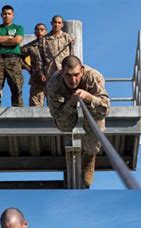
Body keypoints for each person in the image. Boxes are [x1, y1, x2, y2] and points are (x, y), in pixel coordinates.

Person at [47, 55, 110, 188]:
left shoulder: (93, 77)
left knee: (96, 120)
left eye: (76, 75)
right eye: (68, 75)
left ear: (81, 70)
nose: (73, 80)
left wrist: (88, 97)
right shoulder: (54, 84)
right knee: (63, 124)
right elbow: (56, 115)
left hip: (91, 105)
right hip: (67, 106)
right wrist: (71, 103)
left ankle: (90, 155)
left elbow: (105, 109)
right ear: (62, 73)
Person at [0, 5, 24, 107]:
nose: (6, 16)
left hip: (13, 59)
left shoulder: (18, 28)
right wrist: (8, 38)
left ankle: (17, 107)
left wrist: (1, 40)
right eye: (4, 14)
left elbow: (17, 40)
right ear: (1, 15)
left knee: (16, 85)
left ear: (13, 15)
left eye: (9, 14)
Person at [39, 15, 74, 81]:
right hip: (50, 72)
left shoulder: (67, 38)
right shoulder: (44, 39)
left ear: (62, 25)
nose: (57, 24)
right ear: (51, 23)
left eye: (59, 23)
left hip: (64, 71)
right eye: (55, 22)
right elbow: (40, 58)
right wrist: (42, 73)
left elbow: (72, 55)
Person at [21, 23, 47, 106]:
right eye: (37, 30)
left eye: (42, 30)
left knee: (55, 101)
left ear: (46, 32)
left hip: (51, 75)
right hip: (36, 77)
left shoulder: (51, 44)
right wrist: (28, 68)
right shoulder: (30, 46)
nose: (40, 32)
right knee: (36, 105)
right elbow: (18, 56)